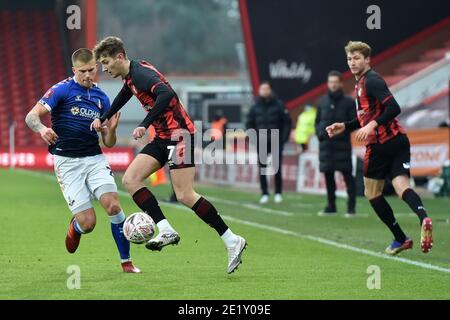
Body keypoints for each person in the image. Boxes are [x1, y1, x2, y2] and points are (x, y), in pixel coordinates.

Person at [91, 36, 246, 274]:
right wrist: (103, 118)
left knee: (185, 195)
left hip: (180, 135)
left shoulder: (141, 73)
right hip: (163, 137)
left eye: (106, 62)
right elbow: (124, 95)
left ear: (119, 57)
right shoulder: (131, 75)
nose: (104, 68)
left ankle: (231, 240)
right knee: (130, 180)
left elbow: (166, 95)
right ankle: (165, 229)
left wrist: (145, 123)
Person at [25, 48, 140, 273]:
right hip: (67, 163)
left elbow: (108, 142)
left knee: (114, 205)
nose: (88, 75)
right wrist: (41, 128)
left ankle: (126, 262)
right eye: (83, 71)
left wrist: (112, 130)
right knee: (88, 223)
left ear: (96, 67)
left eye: (91, 70)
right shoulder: (61, 90)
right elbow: (31, 116)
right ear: (74, 70)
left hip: (94, 159)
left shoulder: (101, 97)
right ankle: (76, 228)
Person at [326, 41, 433, 255]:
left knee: (372, 193)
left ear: (367, 60)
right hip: (399, 140)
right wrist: (345, 126)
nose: (352, 62)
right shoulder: (362, 83)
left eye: (357, 58)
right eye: (349, 59)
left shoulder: (371, 80)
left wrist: (372, 125)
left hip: (380, 144)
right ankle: (424, 218)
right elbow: (367, 116)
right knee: (402, 186)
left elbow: (394, 107)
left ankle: (400, 238)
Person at [316, 71, 357, 217]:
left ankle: (351, 207)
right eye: (330, 82)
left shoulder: (349, 102)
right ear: (328, 84)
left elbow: (355, 123)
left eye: (335, 82)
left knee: (348, 176)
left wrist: (341, 132)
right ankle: (331, 206)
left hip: (343, 146)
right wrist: (320, 134)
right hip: (326, 147)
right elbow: (318, 122)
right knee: (328, 177)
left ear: (341, 83)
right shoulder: (322, 101)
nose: (333, 84)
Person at [246, 82, 292, 204]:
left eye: (267, 88)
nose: (264, 91)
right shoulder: (255, 106)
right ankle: (265, 193)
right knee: (262, 168)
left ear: (270, 90)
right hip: (261, 141)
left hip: (276, 140)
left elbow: (287, 122)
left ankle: (278, 193)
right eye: (262, 89)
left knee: (277, 168)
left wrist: (284, 138)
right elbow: (249, 123)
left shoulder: (279, 105)